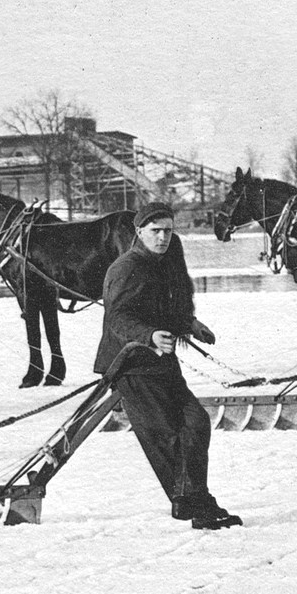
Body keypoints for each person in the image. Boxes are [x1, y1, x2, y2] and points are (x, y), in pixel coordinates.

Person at [93, 203, 242, 530]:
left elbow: (162, 309)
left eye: (168, 231)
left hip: (160, 361)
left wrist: (190, 324)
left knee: (197, 422)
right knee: (167, 437)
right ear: (139, 232)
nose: (162, 237)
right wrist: (148, 335)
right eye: (155, 231)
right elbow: (117, 317)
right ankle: (197, 504)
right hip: (131, 366)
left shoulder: (160, 264)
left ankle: (189, 500)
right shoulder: (125, 267)